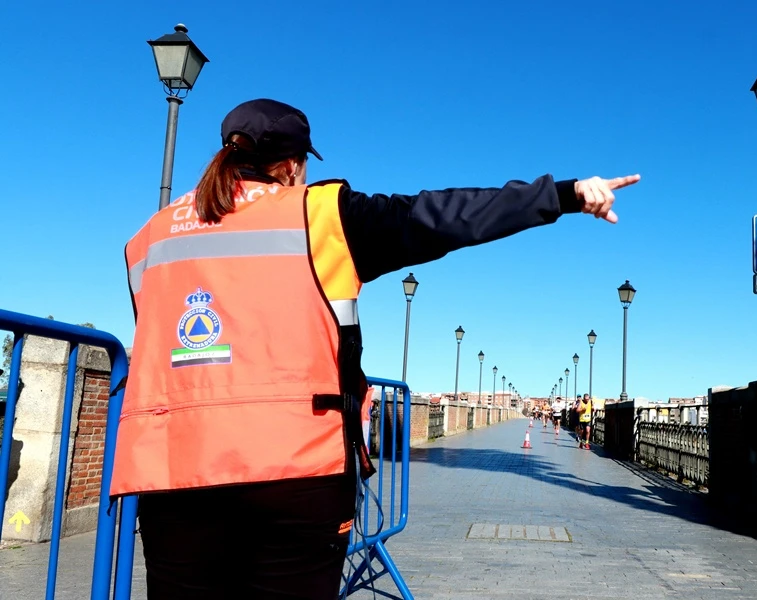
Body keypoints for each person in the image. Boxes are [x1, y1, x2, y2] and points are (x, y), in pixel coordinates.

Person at [111, 98, 639, 599]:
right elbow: (444, 217)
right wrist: (565, 194)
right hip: (296, 467)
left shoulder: (152, 235)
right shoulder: (321, 216)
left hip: (172, 472)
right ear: (293, 165)